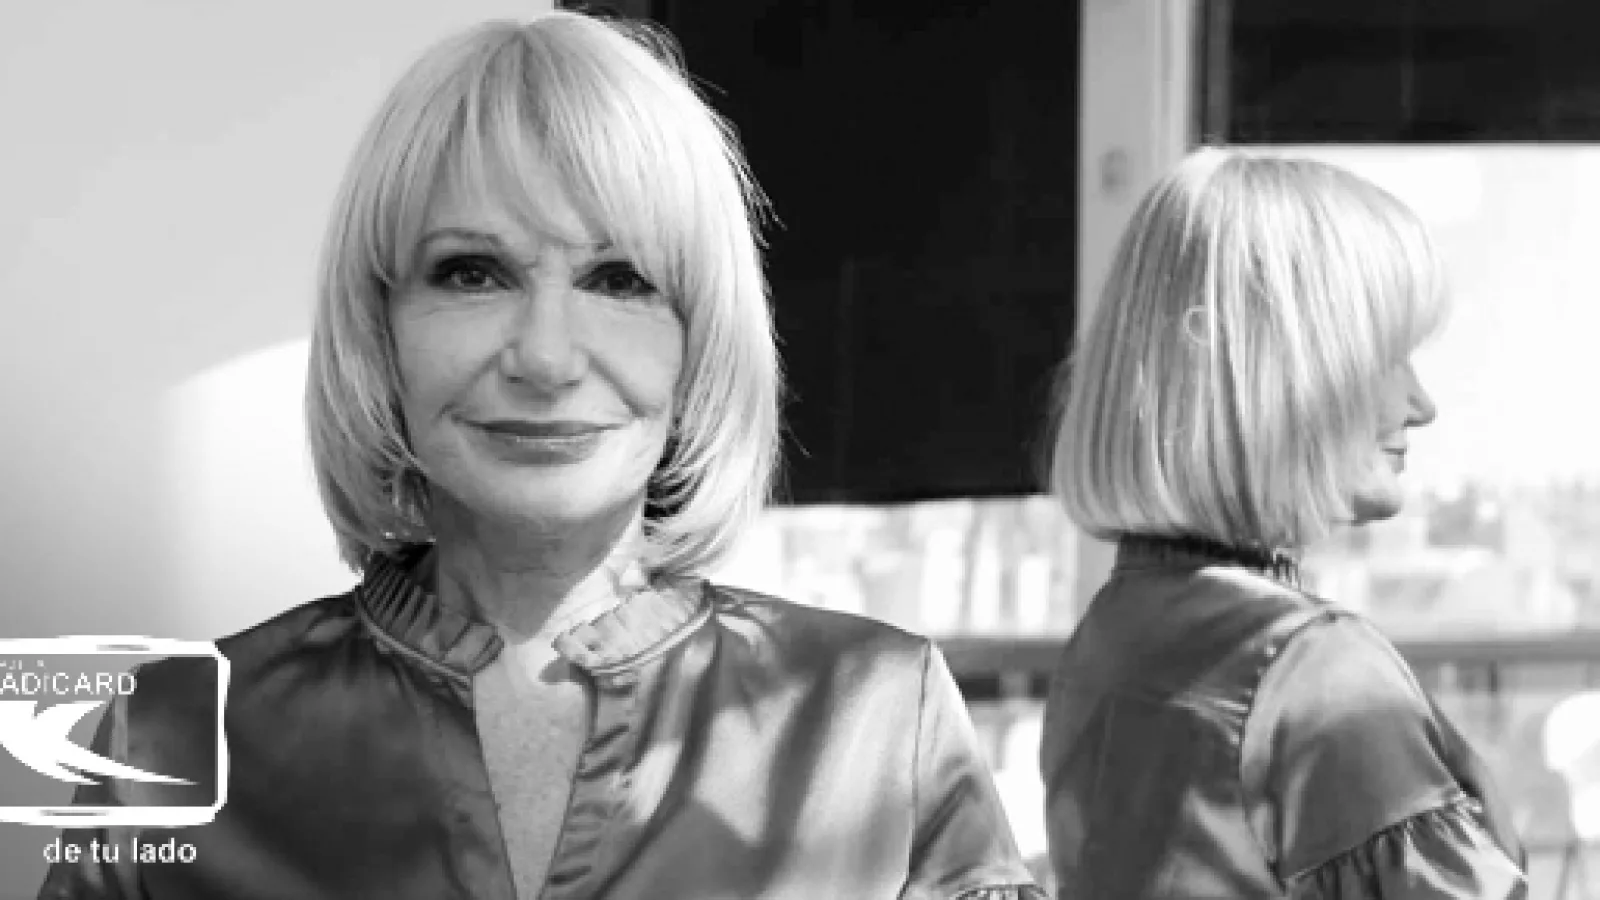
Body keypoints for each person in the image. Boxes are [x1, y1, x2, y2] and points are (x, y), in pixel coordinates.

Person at [37, 11, 1043, 900]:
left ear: (700, 339)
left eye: (619, 278)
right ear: (379, 330)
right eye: (471, 273)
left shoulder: (876, 715)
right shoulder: (165, 740)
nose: (548, 359)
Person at [1038, 148, 1529, 898]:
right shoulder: (1311, 670)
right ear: (1278, 375)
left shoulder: (1113, 635)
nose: (1422, 404)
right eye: (1388, 356)